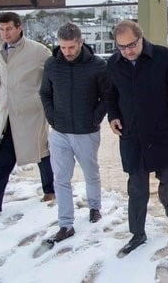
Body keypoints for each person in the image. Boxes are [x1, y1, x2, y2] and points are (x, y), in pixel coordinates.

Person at [105, 20, 168, 256]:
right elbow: (110, 94)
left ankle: (167, 202)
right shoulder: (114, 64)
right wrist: (113, 115)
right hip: (132, 135)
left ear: (141, 38)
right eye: (122, 47)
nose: (127, 51)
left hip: (163, 131)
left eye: (131, 45)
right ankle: (137, 233)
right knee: (137, 188)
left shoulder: (163, 57)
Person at [0, 12, 55, 219]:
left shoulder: (38, 51)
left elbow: (53, 75)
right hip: (8, 113)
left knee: (41, 153)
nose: (5, 33)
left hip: (32, 113)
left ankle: (50, 191)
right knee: (2, 161)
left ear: (19, 27)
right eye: (1, 29)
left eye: (8, 28)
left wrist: (48, 101)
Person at [39, 23, 109, 243]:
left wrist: (94, 118)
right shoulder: (52, 64)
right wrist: (51, 117)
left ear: (80, 42)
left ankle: (95, 207)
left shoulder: (97, 65)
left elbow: (107, 96)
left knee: (91, 173)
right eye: (63, 47)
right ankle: (65, 224)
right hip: (59, 131)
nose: (66, 52)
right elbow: (45, 93)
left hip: (86, 132)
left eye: (71, 47)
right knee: (61, 178)